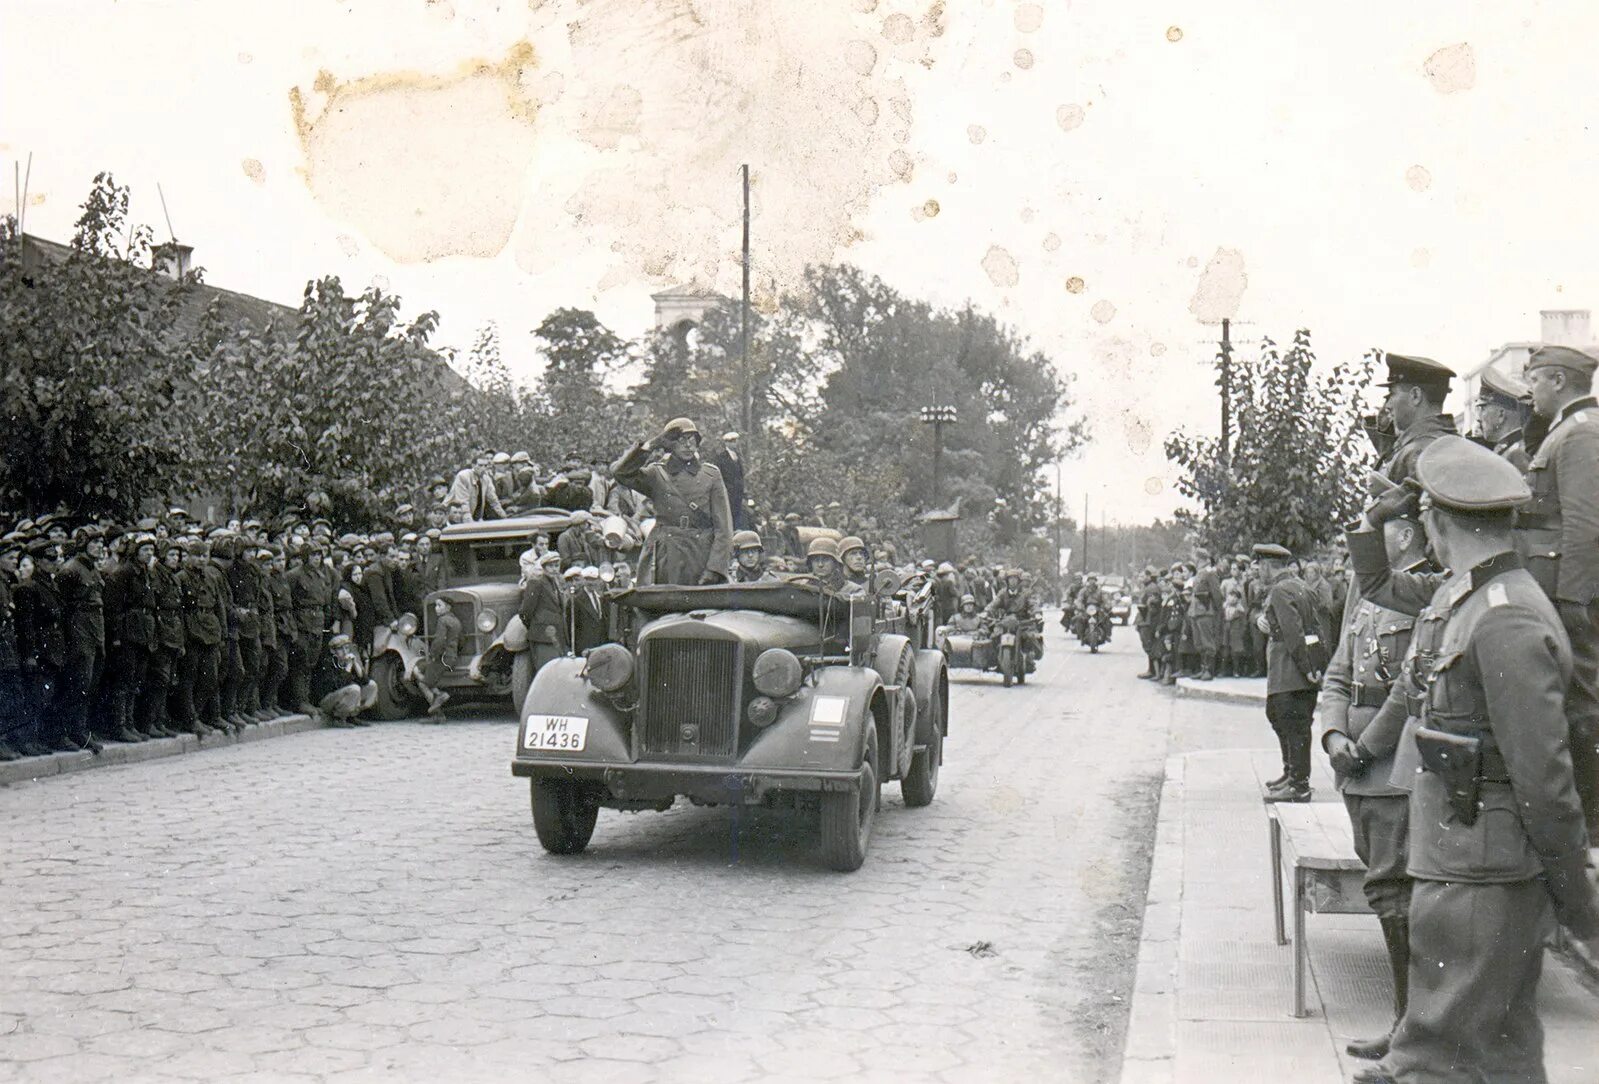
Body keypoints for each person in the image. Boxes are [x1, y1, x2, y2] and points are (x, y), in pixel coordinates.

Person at [1358, 436, 1599, 1084]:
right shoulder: (1471, 600)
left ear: (1435, 522)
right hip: (1467, 862)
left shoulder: (1503, 617)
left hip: (1481, 875)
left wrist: (1575, 898)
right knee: (1502, 1059)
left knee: (1430, 1063)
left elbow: (1544, 782)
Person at [1316, 510, 1428, 1063]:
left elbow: (1411, 687)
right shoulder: (1365, 593)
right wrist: (1335, 735)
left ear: (1405, 535)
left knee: (1394, 895)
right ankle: (1410, 1026)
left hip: (1389, 768)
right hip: (1356, 769)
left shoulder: (1422, 593)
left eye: (1376, 529)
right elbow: (1339, 672)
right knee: (1387, 892)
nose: (1364, 541)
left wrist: (1366, 748)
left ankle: (1410, 1029)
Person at [1517, 343, 1599, 845]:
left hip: (1572, 597)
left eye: (1534, 380)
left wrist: (1571, 601)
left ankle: (1592, 826)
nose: (1529, 390)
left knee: (1585, 705)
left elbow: (1586, 526)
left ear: (1558, 381)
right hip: (1559, 591)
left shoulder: (1581, 434)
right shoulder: (1566, 433)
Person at [612, 417, 734, 586]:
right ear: (669, 444)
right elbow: (621, 473)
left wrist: (715, 568)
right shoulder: (657, 474)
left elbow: (724, 528)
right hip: (665, 555)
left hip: (700, 555)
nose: (688, 445)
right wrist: (650, 445)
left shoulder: (711, 475)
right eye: (680, 440)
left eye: (692, 439)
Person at [1253, 543, 1326, 802]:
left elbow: (1294, 634)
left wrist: (1307, 669)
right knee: (1281, 717)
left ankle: (1298, 785)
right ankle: (1291, 774)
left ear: (1266, 566)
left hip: (1289, 670)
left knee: (1291, 724)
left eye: (1259, 566)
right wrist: (1317, 665)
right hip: (1297, 669)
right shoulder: (1300, 586)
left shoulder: (1280, 590)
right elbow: (1315, 629)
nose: (1257, 571)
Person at [54, 528, 108, 753]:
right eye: (94, 543)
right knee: (77, 683)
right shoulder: (71, 570)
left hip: (94, 629)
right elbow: (63, 605)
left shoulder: (92, 568)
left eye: (100, 543)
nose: (98, 547)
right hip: (79, 629)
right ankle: (64, 732)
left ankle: (80, 729)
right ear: (83, 544)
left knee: (89, 683)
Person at [1376, 353, 1457, 484]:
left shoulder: (1416, 453)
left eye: (1392, 394)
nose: (1388, 405)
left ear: (1415, 395)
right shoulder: (1455, 444)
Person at [517, 549, 569, 677]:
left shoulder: (555, 583)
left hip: (556, 636)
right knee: (546, 674)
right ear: (544, 567)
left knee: (557, 672)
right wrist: (537, 624)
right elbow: (525, 611)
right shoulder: (536, 583)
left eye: (556, 566)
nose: (554, 569)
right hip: (542, 636)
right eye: (550, 566)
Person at [311, 633, 376, 727]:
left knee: (372, 686)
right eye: (341, 649)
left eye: (346, 648)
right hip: (327, 700)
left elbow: (365, 681)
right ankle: (339, 718)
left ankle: (351, 715)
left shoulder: (345, 660)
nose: (345, 652)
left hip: (341, 697)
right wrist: (348, 667)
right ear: (333, 651)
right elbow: (338, 685)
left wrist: (355, 664)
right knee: (354, 689)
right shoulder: (328, 663)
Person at [1474, 366, 1531, 471]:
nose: (1479, 418)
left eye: (1483, 408)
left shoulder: (1516, 455)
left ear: (1501, 415)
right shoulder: (1509, 451)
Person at [414, 597, 457, 724]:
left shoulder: (442, 620)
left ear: (448, 607)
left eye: (439, 605)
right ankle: (439, 699)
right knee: (426, 678)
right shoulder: (455, 621)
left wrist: (433, 654)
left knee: (422, 680)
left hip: (442, 658)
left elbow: (439, 641)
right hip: (451, 658)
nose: (436, 608)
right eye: (436, 605)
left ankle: (438, 712)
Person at [448, 451, 507, 522]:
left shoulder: (486, 479)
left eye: (485, 466)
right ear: (473, 465)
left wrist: (504, 517)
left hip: (475, 516)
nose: (483, 468)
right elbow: (463, 502)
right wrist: (470, 523)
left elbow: (493, 500)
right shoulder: (463, 476)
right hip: (456, 515)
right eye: (480, 465)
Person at [711, 432, 748, 529]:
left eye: (735, 441)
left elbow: (740, 476)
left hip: (738, 494)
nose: (734, 444)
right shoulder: (721, 458)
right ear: (726, 443)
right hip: (727, 493)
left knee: (738, 516)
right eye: (732, 442)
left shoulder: (737, 457)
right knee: (728, 517)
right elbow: (718, 476)